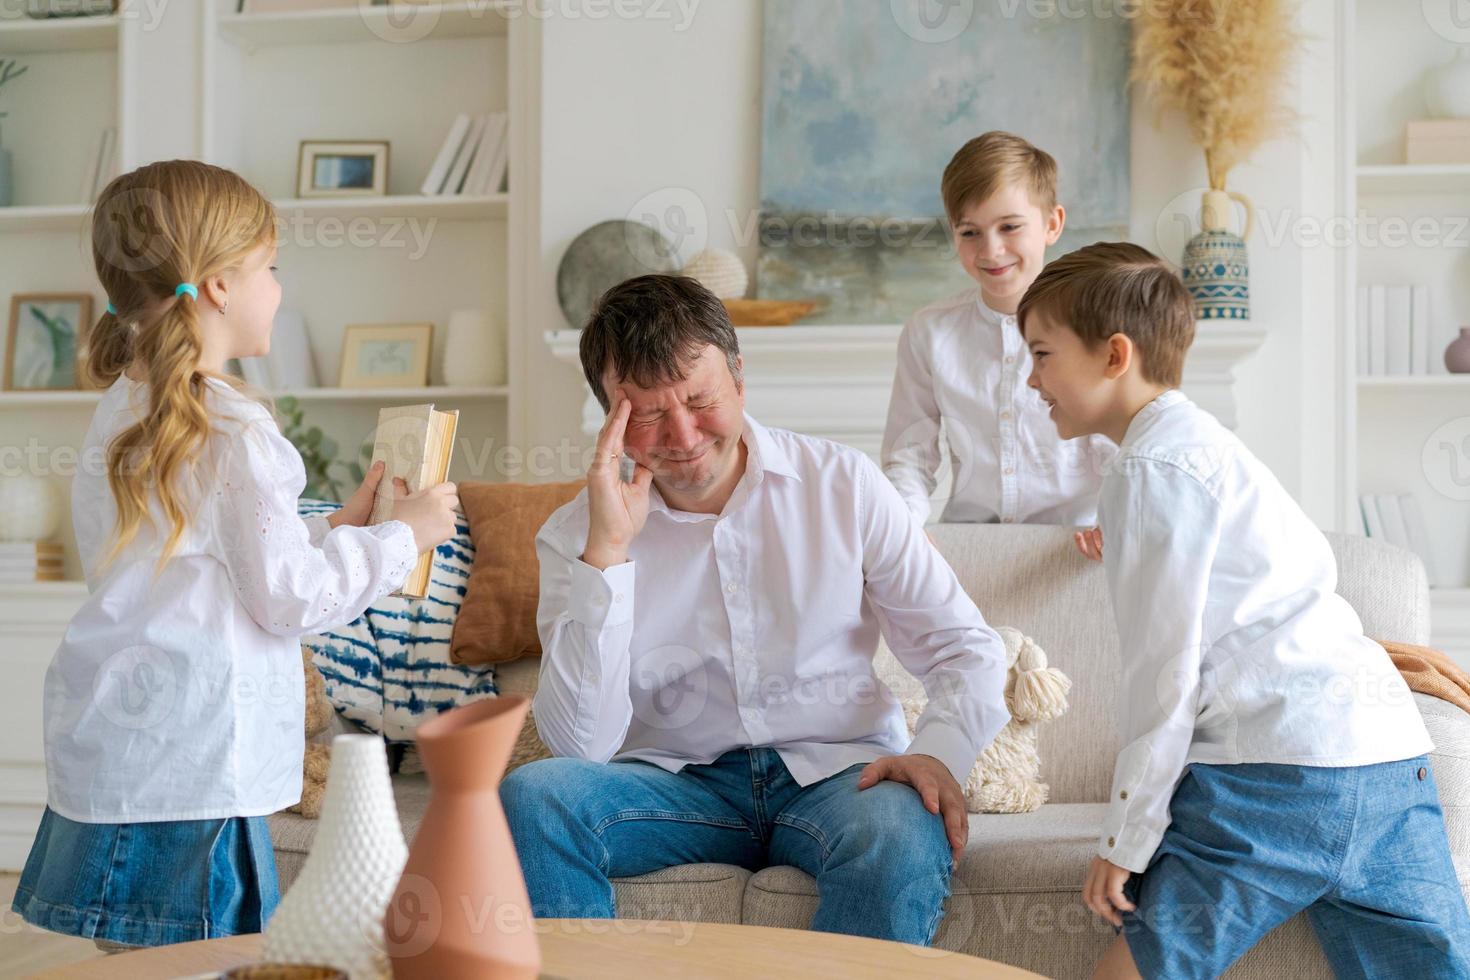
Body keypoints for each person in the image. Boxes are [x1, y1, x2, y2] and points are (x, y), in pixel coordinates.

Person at [11, 160, 460, 949]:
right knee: (204, 963)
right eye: (270, 268)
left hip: (130, 751)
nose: (279, 290)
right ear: (219, 284)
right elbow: (287, 598)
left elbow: (203, 561)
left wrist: (334, 530)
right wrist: (401, 538)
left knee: (135, 965)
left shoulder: (121, 406)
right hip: (200, 767)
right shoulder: (237, 428)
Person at [501, 274, 1011, 945]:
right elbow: (580, 744)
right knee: (535, 798)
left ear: (739, 378)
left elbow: (962, 649)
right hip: (674, 786)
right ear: (610, 421)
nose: (681, 435)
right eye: (647, 415)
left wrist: (939, 752)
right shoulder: (578, 534)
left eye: (699, 399)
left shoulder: (844, 484)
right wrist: (609, 555)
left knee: (899, 827)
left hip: (839, 775)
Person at [1018, 241, 1470, 979]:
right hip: (1389, 757)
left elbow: (1164, 676)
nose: (1032, 380)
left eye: (1041, 355)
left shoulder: (1146, 470)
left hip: (1275, 779)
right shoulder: (1209, 449)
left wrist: (1123, 842)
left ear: (1114, 355)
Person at [881, 130, 1113, 536]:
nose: (990, 251)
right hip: (969, 544)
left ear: (1052, 224)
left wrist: (1118, 525)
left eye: (1009, 226)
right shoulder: (929, 332)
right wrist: (902, 540)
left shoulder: (1098, 325)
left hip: (1075, 548)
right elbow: (909, 457)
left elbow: (1120, 448)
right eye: (970, 232)